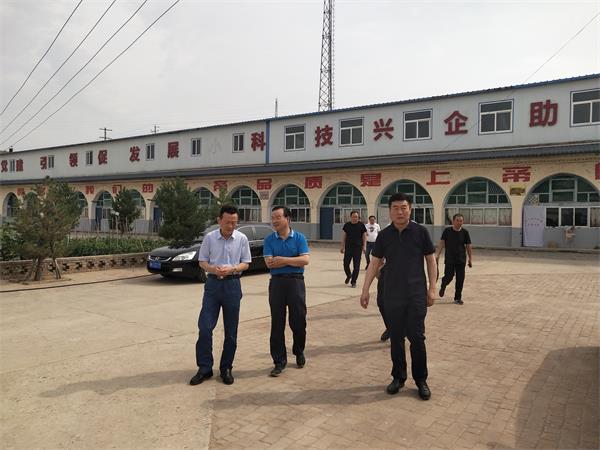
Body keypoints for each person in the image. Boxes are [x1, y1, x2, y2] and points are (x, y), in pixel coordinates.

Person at [360, 193, 437, 400]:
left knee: (417, 338)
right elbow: (374, 263)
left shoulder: (420, 232)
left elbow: (431, 260)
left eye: (403, 208)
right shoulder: (384, 235)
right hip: (392, 294)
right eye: (395, 208)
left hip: (416, 294)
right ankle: (398, 377)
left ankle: (421, 380)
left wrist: (432, 288)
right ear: (389, 211)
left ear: (410, 209)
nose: (400, 212)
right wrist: (365, 290)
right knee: (396, 338)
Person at [190, 205, 251, 386]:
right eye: (227, 222)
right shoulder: (209, 238)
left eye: (234, 222)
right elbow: (202, 261)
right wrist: (212, 269)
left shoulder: (242, 238)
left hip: (233, 285)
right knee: (205, 327)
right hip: (213, 285)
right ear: (219, 220)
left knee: (231, 331)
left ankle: (226, 368)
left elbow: (246, 263)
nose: (231, 226)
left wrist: (232, 269)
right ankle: (204, 368)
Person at [263, 206, 310, 377]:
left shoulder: (299, 238)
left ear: (288, 219)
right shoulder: (269, 240)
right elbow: (269, 263)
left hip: (296, 282)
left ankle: (299, 351)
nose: (274, 221)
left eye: (278, 217)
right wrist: (293, 260)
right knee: (277, 322)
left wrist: (282, 260)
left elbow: (305, 260)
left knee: (298, 320)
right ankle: (279, 361)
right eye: (273, 218)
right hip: (277, 283)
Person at [435, 213, 473, 305]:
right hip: (450, 259)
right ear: (453, 221)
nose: (459, 222)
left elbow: (468, 246)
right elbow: (442, 243)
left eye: (461, 221)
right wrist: (437, 254)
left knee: (460, 279)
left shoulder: (465, 232)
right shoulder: (447, 231)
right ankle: (444, 284)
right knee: (449, 276)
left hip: (461, 260)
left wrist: (470, 259)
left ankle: (457, 298)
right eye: (457, 220)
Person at [340, 211, 367, 288]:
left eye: (356, 217)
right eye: (353, 216)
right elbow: (344, 236)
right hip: (348, 248)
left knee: (356, 266)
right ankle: (349, 275)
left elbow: (364, 236)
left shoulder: (361, 225)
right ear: (350, 217)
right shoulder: (347, 225)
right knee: (345, 264)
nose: (355, 218)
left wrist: (364, 246)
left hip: (358, 248)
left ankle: (353, 281)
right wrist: (342, 246)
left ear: (358, 217)